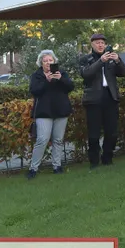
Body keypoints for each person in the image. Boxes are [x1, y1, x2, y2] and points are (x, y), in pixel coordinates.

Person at [79, 33, 125, 169]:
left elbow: (124, 72)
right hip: (93, 100)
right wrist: (101, 61)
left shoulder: (111, 58)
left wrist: (118, 60)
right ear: (92, 44)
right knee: (94, 134)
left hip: (110, 97)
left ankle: (107, 158)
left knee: (111, 132)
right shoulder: (86, 59)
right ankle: (94, 162)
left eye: (102, 43)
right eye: (97, 43)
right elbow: (86, 74)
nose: (100, 45)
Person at [26, 50, 74, 179]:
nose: (48, 63)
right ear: (41, 63)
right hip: (44, 112)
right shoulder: (37, 75)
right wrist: (46, 81)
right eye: (45, 61)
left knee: (58, 140)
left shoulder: (61, 73)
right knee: (42, 140)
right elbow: (34, 91)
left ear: (54, 61)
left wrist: (61, 79)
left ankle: (56, 166)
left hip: (61, 110)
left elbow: (70, 87)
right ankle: (33, 168)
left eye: (50, 60)